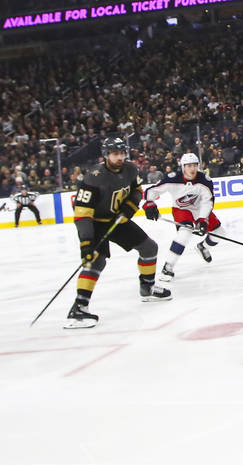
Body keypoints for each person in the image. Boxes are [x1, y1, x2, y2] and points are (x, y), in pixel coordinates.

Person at [66, 136, 170, 329]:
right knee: (95, 261)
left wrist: (130, 208)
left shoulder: (130, 169)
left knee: (149, 248)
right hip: (95, 224)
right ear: (106, 155)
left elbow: (136, 190)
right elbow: (82, 214)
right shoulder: (93, 177)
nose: (120, 157)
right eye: (115, 154)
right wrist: (86, 243)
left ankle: (147, 287)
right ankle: (79, 308)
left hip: (116, 220)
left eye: (122, 153)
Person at [141, 152, 227, 293]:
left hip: (199, 209)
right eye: (188, 166)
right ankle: (168, 267)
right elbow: (152, 191)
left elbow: (208, 202)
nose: (192, 169)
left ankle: (203, 247)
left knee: (219, 233)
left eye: (194, 165)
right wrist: (149, 203)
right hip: (181, 209)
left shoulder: (205, 180)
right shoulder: (173, 179)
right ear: (183, 167)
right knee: (184, 233)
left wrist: (202, 220)